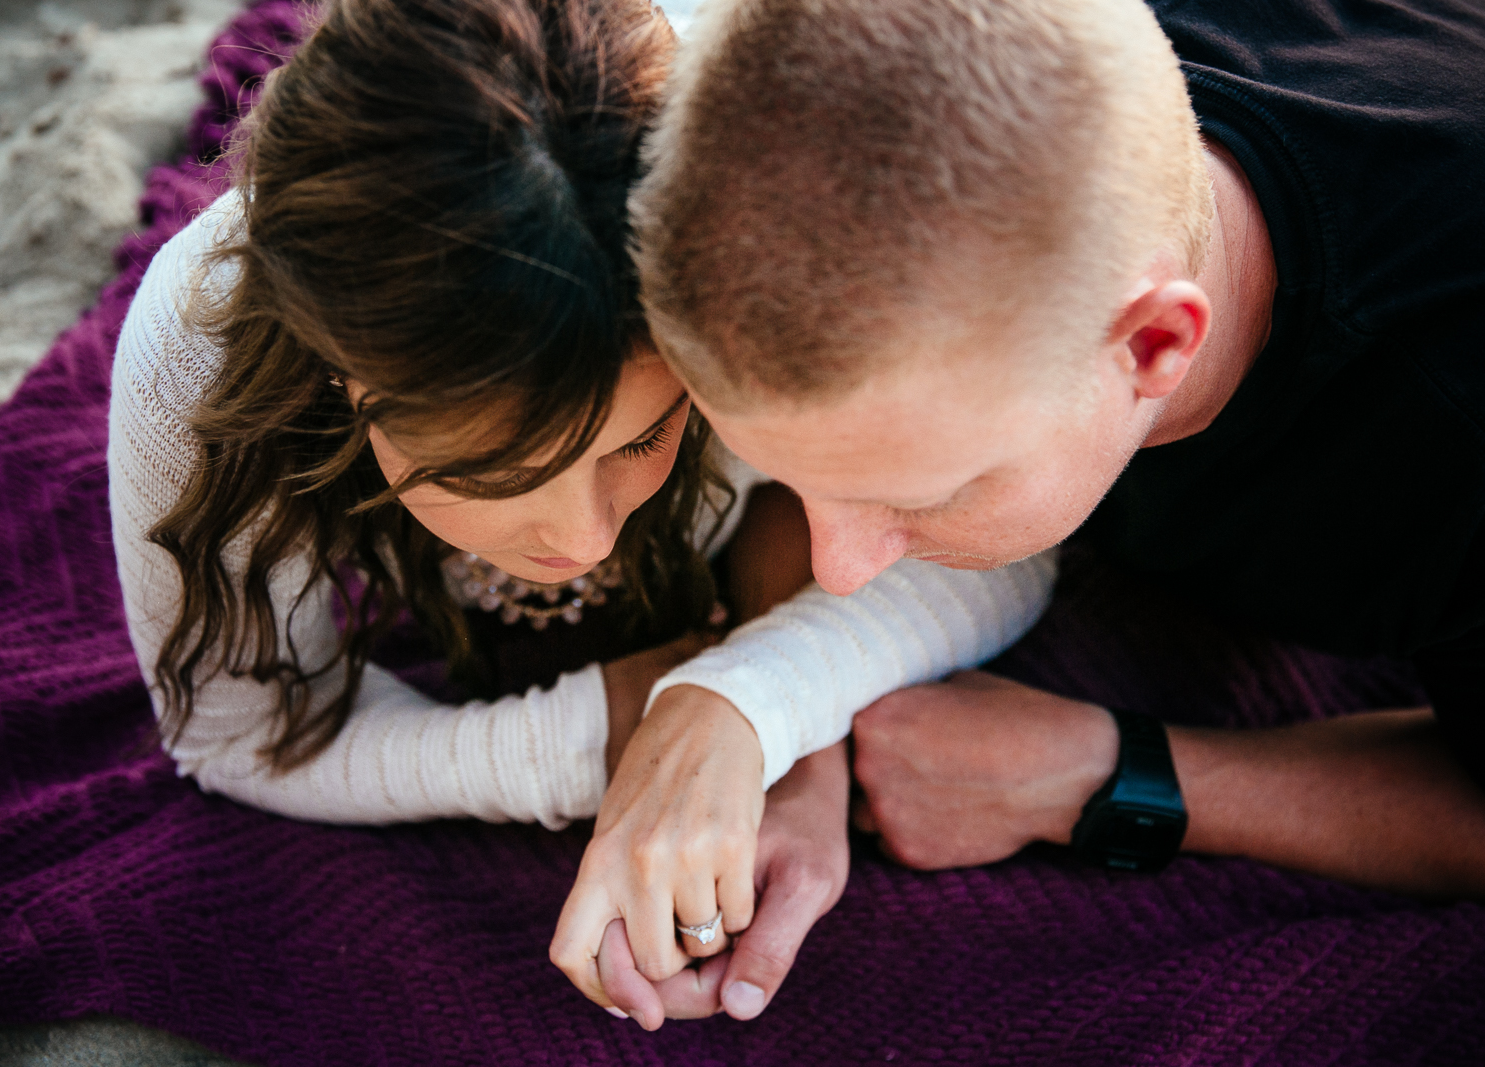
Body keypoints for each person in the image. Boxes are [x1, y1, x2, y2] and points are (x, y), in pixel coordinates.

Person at [108, 0, 1056, 1028]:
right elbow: (233, 731)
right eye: (482, 469)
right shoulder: (202, 351)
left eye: (643, 439)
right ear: (341, 373)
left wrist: (747, 707)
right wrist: (595, 727)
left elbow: (1008, 541)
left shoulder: (776, 252)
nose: (582, 537)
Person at [627, 0, 1485, 916]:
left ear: (1155, 344)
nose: (836, 572)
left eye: (927, 493)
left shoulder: (1449, 425)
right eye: (797, 478)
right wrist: (795, 739)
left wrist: (1105, 770)